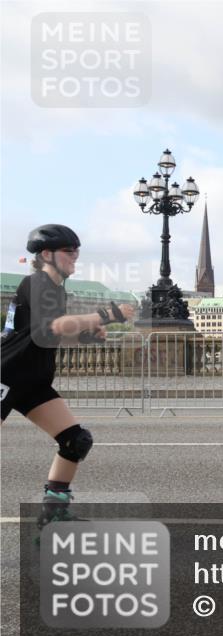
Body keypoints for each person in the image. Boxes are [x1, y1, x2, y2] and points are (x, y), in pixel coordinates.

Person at [1, 225, 134, 528]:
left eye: (76, 250)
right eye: (68, 250)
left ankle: (54, 514)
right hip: (7, 375)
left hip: (32, 382)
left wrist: (86, 336)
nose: (75, 255)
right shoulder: (36, 283)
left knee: (76, 441)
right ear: (46, 255)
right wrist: (107, 315)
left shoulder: (56, 289)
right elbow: (58, 326)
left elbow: (49, 334)